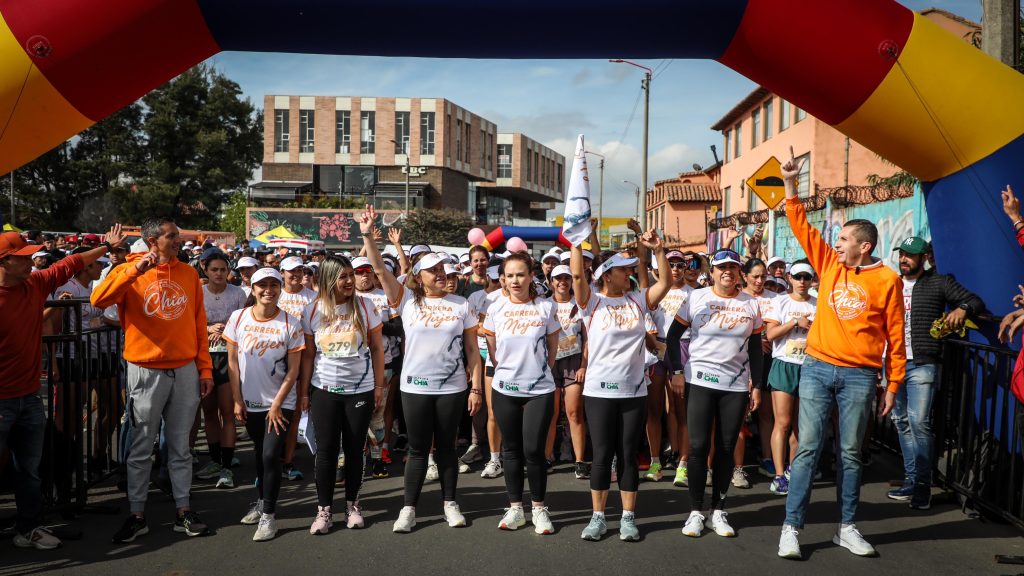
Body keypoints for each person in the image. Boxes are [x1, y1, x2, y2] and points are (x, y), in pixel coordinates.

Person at [775, 147, 906, 559]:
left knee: (850, 453)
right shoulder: (829, 263)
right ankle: (791, 528)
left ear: (864, 247)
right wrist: (791, 183)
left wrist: (894, 383)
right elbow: (800, 226)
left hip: (860, 376)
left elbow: (896, 335)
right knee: (809, 448)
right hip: (816, 368)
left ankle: (846, 527)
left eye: (845, 237)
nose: (837, 240)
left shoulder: (887, 280)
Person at [357, 206, 483, 533]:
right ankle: (409, 509)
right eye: (433, 269)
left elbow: (472, 350)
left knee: (447, 447)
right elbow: (378, 270)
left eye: (443, 268)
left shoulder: (462, 304)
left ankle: (450, 503)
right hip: (414, 387)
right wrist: (368, 234)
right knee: (416, 449)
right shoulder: (406, 301)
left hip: (452, 388)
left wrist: (475, 387)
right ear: (419, 276)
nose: (441, 273)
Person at [0, 226, 124, 550]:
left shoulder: (36, 283)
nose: (32, 262)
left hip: (28, 396)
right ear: (4, 262)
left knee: (29, 468)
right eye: (23, 257)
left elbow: (70, 263)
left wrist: (105, 247)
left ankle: (29, 527)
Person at [92, 218, 215, 543]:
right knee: (141, 445)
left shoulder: (189, 274)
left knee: (180, 447)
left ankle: (183, 510)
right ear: (152, 241)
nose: (179, 240)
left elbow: (198, 324)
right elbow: (99, 300)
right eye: (172, 236)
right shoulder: (129, 271)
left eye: (178, 235)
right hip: (145, 370)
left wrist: (204, 369)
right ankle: (137, 514)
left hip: (185, 369)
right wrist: (135, 269)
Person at [574, 231, 672, 542]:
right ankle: (598, 517)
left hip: (633, 391)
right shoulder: (591, 301)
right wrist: (576, 242)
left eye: (630, 268)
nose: (629, 272)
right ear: (605, 274)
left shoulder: (637, 300)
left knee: (628, 454)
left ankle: (629, 518)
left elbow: (665, 284)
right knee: (602, 454)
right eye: (623, 269)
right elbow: (578, 274)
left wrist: (658, 252)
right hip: (599, 392)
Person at [666, 248, 764, 538]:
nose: (728, 272)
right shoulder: (696, 297)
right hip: (699, 382)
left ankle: (718, 510)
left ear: (739, 274)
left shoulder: (751, 304)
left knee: (725, 449)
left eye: (733, 268)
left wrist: (756, 385)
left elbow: (756, 349)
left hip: (734, 385)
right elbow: (673, 337)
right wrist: (677, 372)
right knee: (697, 448)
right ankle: (696, 512)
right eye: (722, 267)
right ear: (713, 271)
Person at [887, 236, 983, 509]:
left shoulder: (938, 282)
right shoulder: (890, 282)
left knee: (920, 423)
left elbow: (974, 301)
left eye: (910, 255)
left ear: (924, 258)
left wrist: (962, 309)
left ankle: (922, 485)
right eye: (902, 254)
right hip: (893, 363)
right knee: (902, 422)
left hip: (922, 362)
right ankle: (911, 477)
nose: (904, 259)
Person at [300, 255, 385, 534]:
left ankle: (353, 505)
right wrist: (304, 393)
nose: (349, 281)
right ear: (327, 279)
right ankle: (323, 511)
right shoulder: (312, 310)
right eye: (343, 276)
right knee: (325, 451)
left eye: (351, 275)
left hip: (359, 389)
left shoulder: (365, 305)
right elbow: (309, 355)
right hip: (324, 389)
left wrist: (379, 387)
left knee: (354, 450)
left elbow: (377, 348)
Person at [479, 252, 562, 534]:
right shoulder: (495, 307)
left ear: (531, 276)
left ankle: (539, 509)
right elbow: (491, 345)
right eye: (510, 275)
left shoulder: (545, 307)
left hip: (539, 389)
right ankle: (515, 509)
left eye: (521, 274)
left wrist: (539, 371)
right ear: (503, 278)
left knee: (533, 450)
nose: (515, 280)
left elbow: (553, 348)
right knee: (511, 451)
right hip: (505, 388)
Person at [225, 268, 304, 541]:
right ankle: (261, 502)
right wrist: (236, 399)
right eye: (262, 285)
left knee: (271, 455)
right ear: (253, 288)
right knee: (260, 454)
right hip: (249, 403)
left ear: (280, 288)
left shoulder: (291, 324)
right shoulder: (238, 318)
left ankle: (269, 516)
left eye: (273, 284)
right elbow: (232, 362)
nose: (268, 290)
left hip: (280, 404)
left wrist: (277, 404)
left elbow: (294, 371)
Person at [763, 261, 818, 496]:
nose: (802, 282)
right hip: (784, 364)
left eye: (807, 277)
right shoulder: (779, 302)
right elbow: (771, 334)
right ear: (789, 278)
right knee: (782, 423)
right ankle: (778, 474)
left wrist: (813, 328)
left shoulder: (818, 303)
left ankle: (793, 472)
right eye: (798, 277)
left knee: (800, 426)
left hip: (810, 366)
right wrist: (796, 322)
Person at [195, 251, 247, 489]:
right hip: (204, 358)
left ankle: (227, 466)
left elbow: (245, 325)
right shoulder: (198, 292)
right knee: (209, 412)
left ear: (229, 272)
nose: (219, 274)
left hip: (229, 358)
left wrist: (224, 330)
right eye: (214, 270)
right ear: (206, 270)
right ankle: (215, 460)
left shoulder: (238, 293)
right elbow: (190, 323)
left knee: (227, 412)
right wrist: (207, 328)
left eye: (223, 270)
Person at [647, 250, 694, 484]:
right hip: (657, 347)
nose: (675, 268)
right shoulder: (656, 292)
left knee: (681, 408)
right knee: (654, 409)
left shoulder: (695, 294)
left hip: (683, 348)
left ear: (686, 267)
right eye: (670, 264)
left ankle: (683, 464)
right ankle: (655, 461)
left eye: (680, 264)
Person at [277, 256, 318, 481]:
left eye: (299, 270)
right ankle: (272, 458)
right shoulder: (274, 293)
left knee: (295, 413)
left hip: (304, 359)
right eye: (290, 271)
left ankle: (288, 461)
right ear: (282, 272)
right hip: (275, 359)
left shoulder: (313, 297)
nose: (295, 274)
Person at [548, 264, 589, 480]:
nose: (562, 281)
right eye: (558, 278)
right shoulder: (545, 305)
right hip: (551, 364)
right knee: (551, 414)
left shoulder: (581, 304)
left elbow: (587, 339)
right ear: (551, 282)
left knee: (574, 412)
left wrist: (583, 365)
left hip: (574, 364)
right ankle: (547, 456)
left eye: (566, 277)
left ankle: (580, 461)